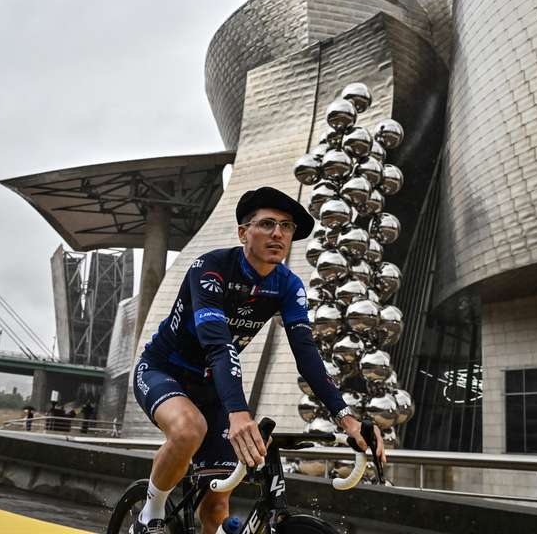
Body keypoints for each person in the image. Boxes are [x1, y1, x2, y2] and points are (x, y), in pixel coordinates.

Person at [131, 187, 385, 534]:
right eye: (267, 224)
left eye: (286, 226)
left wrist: (348, 420)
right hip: (164, 371)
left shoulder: (287, 285)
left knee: (218, 500)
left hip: (212, 386)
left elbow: (306, 356)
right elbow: (218, 346)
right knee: (190, 430)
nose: (278, 233)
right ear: (242, 233)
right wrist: (238, 413)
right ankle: (150, 515)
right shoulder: (210, 269)